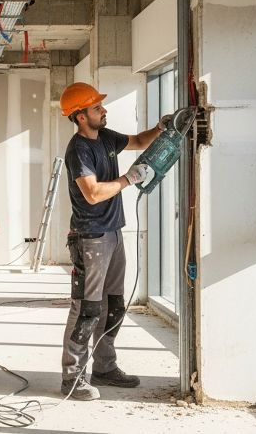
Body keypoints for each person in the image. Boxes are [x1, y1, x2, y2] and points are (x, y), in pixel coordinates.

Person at [57, 81, 170, 401]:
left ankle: (104, 367)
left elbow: (136, 141)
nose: (103, 110)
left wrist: (159, 128)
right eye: (96, 108)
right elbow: (92, 194)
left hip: (113, 232)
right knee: (87, 309)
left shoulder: (104, 136)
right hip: (90, 237)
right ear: (80, 117)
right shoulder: (78, 149)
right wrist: (128, 180)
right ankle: (72, 377)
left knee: (114, 306)